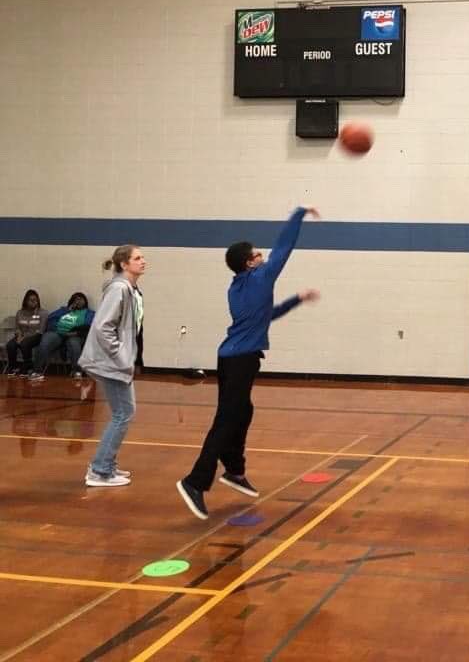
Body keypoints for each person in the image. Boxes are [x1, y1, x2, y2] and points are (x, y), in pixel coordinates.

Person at [176, 206, 321, 520]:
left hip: (229, 358)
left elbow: (264, 317)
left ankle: (234, 470)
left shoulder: (238, 287)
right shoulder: (262, 277)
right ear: (249, 263)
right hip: (240, 360)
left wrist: (297, 299)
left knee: (242, 411)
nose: (263, 255)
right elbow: (285, 247)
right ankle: (195, 482)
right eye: (257, 254)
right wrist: (299, 214)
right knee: (227, 420)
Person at [78, 245, 146, 487]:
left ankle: (106, 465)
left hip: (118, 363)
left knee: (123, 413)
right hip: (112, 363)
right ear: (124, 264)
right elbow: (102, 327)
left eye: (142, 257)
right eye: (137, 258)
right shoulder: (119, 289)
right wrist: (121, 356)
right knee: (123, 413)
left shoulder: (129, 289)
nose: (143, 261)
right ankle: (100, 470)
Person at [29, 292, 94, 381]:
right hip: (58, 333)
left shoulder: (89, 313)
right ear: (71, 301)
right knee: (46, 341)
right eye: (75, 299)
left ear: (85, 301)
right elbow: (51, 319)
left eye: (80, 299)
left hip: (75, 335)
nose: (78, 301)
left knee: (74, 343)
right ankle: (37, 371)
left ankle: (77, 371)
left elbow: (89, 327)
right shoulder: (64, 310)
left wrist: (74, 333)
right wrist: (67, 310)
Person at [5, 290, 45, 376]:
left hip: (36, 336)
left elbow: (41, 330)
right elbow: (17, 327)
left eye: (35, 300)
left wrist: (24, 338)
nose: (34, 302)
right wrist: (19, 336)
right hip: (21, 335)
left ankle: (28, 367)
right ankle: (13, 367)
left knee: (24, 343)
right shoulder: (20, 312)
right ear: (26, 301)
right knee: (10, 345)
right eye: (31, 300)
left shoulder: (42, 313)